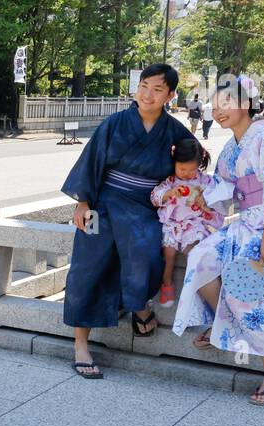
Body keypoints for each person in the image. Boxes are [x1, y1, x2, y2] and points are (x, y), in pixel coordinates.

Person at [172, 74, 264, 406]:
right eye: (215, 106)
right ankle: (224, 324)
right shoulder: (233, 146)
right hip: (247, 221)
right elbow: (224, 185)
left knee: (240, 287)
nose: (218, 111)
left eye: (227, 104)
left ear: (246, 104)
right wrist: (206, 201)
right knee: (201, 256)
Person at [60, 63, 196, 378]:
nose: (148, 94)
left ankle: (139, 305)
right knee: (87, 261)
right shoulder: (115, 123)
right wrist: (83, 202)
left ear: (170, 95)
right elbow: (91, 161)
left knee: (148, 250)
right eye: (144, 86)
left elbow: (195, 165)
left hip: (145, 207)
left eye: (157, 89)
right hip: (101, 204)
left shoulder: (175, 132)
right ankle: (81, 344)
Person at [151, 137, 223, 308]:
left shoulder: (204, 182)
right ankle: (167, 281)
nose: (186, 174)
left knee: (195, 251)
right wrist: (168, 194)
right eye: (182, 168)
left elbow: (217, 201)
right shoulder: (170, 181)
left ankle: (199, 286)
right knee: (168, 253)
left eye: (192, 170)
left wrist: (205, 204)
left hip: (194, 224)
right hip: (172, 224)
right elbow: (155, 196)